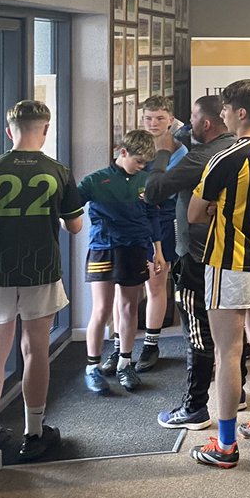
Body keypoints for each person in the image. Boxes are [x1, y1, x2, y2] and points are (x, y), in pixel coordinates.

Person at [187, 79, 250, 469]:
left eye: (226, 109)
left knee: (227, 352)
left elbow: (196, 213)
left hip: (229, 262)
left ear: (241, 112)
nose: (222, 115)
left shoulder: (226, 156)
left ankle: (225, 446)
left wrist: (216, 209)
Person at [144, 95, 246, 431]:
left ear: (206, 123)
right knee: (233, 329)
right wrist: (182, 129)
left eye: (193, 118)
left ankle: (194, 407)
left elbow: (156, 189)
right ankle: (238, 392)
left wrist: (162, 149)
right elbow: (195, 129)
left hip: (197, 258)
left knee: (198, 332)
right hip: (232, 253)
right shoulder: (241, 148)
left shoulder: (199, 158)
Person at [0, 100, 84, 461]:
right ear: (45, 130)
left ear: (9, 131)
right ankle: (34, 433)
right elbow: (74, 225)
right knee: (34, 350)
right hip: (41, 271)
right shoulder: (58, 171)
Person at [79, 129, 163, 394]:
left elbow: (153, 217)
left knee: (129, 307)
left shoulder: (146, 181)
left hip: (135, 247)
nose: (142, 167)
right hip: (103, 247)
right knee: (102, 309)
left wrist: (157, 251)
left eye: (145, 164)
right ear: (122, 152)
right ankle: (92, 367)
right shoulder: (95, 180)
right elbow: (69, 208)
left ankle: (125, 363)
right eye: (138, 161)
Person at [137, 95, 188, 370]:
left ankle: (150, 344)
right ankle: (121, 347)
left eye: (159, 118)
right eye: (148, 118)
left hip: (166, 222)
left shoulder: (180, 152)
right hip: (136, 224)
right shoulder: (134, 147)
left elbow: (174, 190)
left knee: (157, 283)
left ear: (170, 119)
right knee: (130, 288)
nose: (153, 123)